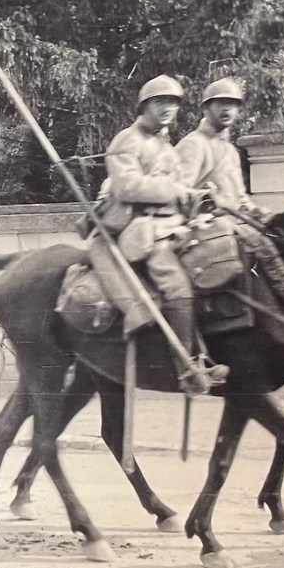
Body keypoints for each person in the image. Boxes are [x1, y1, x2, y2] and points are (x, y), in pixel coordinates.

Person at [100, 74, 229, 395]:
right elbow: (127, 186)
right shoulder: (127, 140)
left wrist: (197, 199)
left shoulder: (164, 144)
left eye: (173, 103)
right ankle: (186, 368)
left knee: (211, 265)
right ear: (145, 105)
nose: (168, 109)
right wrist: (177, 191)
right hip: (141, 229)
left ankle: (208, 353)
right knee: (177, 285)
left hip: (171, 225)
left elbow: (180, 188)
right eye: (161, 102)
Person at [175, 77, 284, 334]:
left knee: (282, 237)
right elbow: (179, 191)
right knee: (261, 246)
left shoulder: (229, 151)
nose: (226, 110)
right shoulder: (193, 144)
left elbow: (240, 198)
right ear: (205, 109)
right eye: (220, 104)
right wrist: (205, 198)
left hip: (233, 223)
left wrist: (258, 211)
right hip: (203, 227)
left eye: (233, 105)